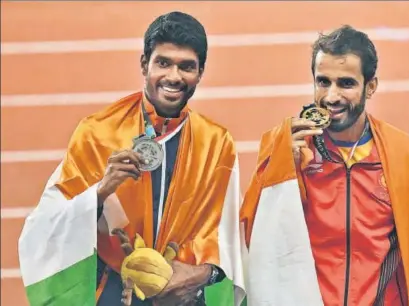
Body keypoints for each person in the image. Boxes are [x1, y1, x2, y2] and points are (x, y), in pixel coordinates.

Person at [18, 11, 246, 306]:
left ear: (200, 72)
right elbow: (46, 226)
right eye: (163, 63)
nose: (174, 77)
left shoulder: (217, 143)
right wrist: (100, 192)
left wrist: (200, 276)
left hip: (183, 295)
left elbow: (229, 238)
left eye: (186, 66)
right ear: (144, 64)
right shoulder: (97, 133)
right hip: (114, 291)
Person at [240, 25, 409, 305]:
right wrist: (282, 176)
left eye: (346, 84)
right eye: (323, 82)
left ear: (371, 87)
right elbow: (254, 244)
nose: (332, 97)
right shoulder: (286, 150)